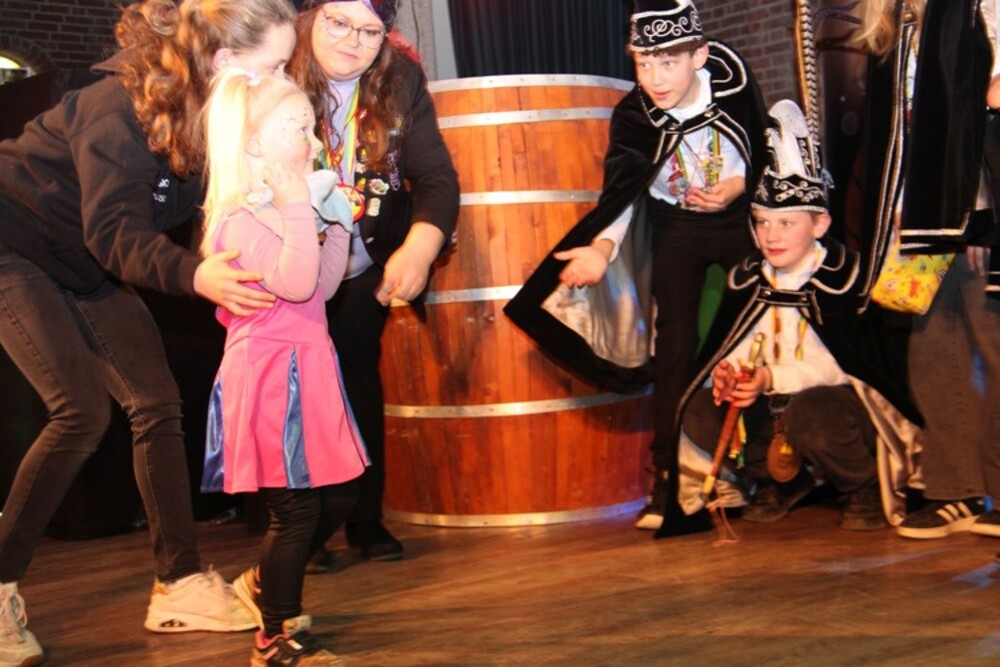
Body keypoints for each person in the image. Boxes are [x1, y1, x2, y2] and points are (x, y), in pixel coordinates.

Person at [0, 0, 298, 664]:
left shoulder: (215, 114)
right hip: (14, 242)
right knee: (80, 409)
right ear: (223, 60)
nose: (281, 79)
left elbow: (199, 215)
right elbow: (114, 232)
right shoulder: (115, 106)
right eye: (274, 65)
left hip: (84, 261)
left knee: (156, 401)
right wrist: (196, 275)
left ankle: (179, 584)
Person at [504, 0, 767, 536]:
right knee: (673, 347)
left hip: (739, 219)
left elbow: (762, 149)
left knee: (749, 332)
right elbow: (622, 193)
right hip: (676, 225)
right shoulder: (633, 116)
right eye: (644, 64)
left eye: (668, 63)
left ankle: (757, 468)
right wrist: (602, 248)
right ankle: (669, 478)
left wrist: (740, 185)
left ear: (700, 56)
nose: (655, 78)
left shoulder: (733, 83)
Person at [676, 100, 922, 532]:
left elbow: (852, 368)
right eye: (761, 222)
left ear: (820, 224)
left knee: (813, 410)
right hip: (772, 406)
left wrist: (771, 378)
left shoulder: (847, 278)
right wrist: (729, 373)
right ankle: (779, 482)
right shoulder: (748, 279)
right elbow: (732, 344)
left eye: (786, 223)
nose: (770, 236)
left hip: (840, 411)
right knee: (700, 406)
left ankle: (861, 485)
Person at [197, 69, 367, 667]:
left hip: (310, 366)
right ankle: (274, 636)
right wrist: (300, 209)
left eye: (312, 129)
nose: (314, 143)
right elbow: (294, 284)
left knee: (341, 495)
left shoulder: (284, 213)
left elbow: (321, 287)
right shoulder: (239, 221)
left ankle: (266, 583)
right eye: (299, 129)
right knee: (295, 509)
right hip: (272, 376)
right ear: (252, 144)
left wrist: (337, 222)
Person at [288, 0, 459, 562]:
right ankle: (296, 533)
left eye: (369, 31)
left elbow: (435, 176)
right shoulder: (277, 65)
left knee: (358, 379)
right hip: (289, 265)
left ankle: (365, 519)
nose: (352, 42)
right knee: (294, 395)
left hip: (363, 262)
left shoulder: (400, 77)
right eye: (338, 23)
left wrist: (420, 247)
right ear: (311, 17)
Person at [855, 0, 1000, 540]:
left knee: (994, 346)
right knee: (934, 355)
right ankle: (954, 489)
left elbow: (981, 118)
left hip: (977, 213)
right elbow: (897, 138)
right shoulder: (895, 37)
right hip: (920, 226)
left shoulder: (980, 13)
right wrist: (897, 210)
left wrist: (980, 214)